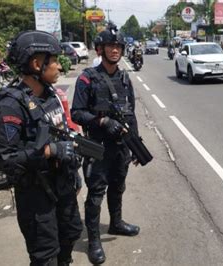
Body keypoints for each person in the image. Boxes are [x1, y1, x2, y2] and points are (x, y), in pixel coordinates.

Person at [0, 30, 83, 266]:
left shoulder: (50, 95)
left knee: (71, 235)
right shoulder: (10, 105)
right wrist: (51, 151)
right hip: (36, 195)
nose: (60, 67)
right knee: (45, 256)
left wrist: (72, 160)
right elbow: (4, 158)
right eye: (53, 61)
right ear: (36, 64)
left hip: (62, 184)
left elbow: (60, 130)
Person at [71, 25, 140, 265]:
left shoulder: (124, 77)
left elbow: (130, 113)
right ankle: (93, 240)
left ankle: (117, 223)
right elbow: (77, 113)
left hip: (121, 146)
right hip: (97, 146)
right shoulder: (87, 78)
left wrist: (135, 144)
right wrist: (101, 120)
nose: (114, 50)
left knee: (118, 186)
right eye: (110, 46)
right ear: (100, 49)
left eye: (118, 46)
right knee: (96, 193)